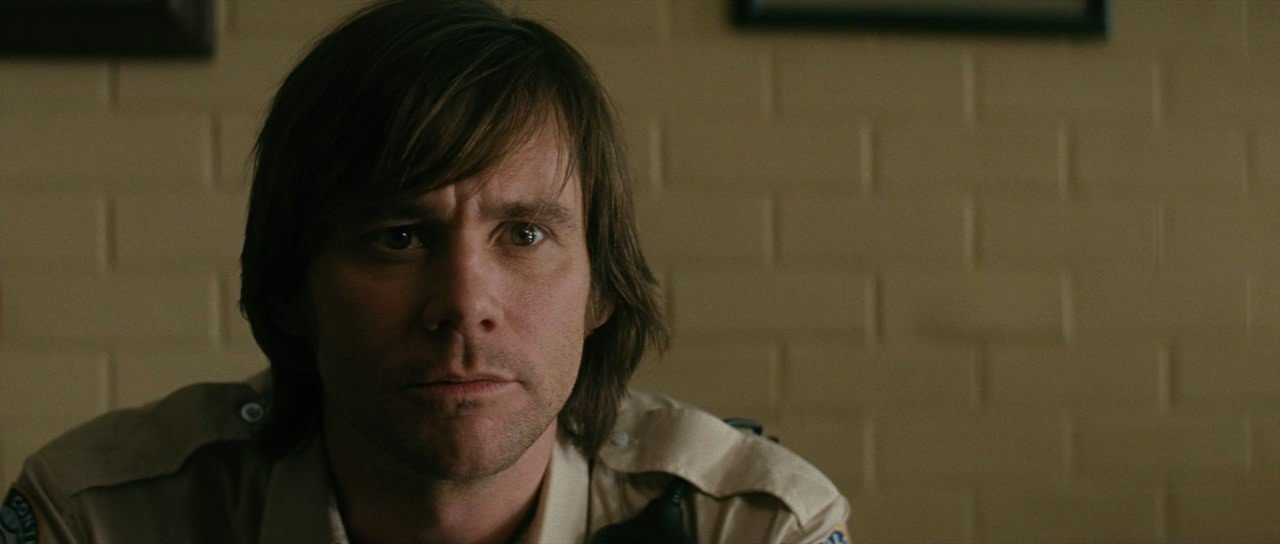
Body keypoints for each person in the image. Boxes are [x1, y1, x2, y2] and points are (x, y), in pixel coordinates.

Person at [1, 1, 849, 542]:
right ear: (293, 289)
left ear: (601, 288)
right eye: (398, 238)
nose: (464, 304)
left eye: (524, 234)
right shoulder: (99, 517)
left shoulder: (749, 527)